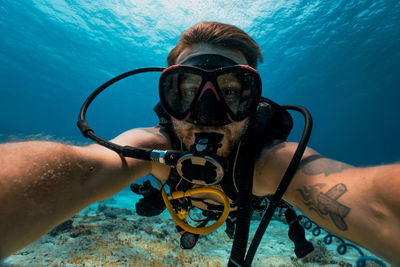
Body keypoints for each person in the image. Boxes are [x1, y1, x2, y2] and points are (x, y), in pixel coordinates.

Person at [0, 21, 399, 265]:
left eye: (232, 90)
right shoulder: (151, 145)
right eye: (188, 89)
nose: (206, 112)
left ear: (253, 102)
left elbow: (374, 203)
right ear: (168, 100)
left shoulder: (270, 161)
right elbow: (81, 171)